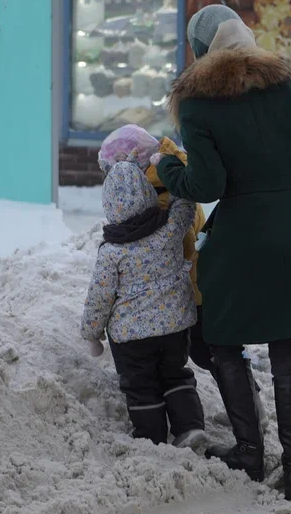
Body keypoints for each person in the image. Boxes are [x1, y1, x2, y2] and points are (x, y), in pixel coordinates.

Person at [153, 4, 291, 500]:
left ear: (201, 51)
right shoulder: (279, 84)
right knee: (287, 353)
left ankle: (250, 454)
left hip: (238, 238)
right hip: (288, 230)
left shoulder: (196, 103)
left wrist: (169, 168)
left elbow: (206, 184)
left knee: (225, 341)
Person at [97, 125, 269, 433]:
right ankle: (248, 408)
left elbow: (158, 243)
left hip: (189, 289)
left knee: (209, 352)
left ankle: (250, 412)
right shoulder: (175, 173)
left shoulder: (158, 200)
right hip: (200, 280)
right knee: (214, 352)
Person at [81, 161, 207, 449]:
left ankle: (151, 438)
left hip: (132, 339)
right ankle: (189, 428)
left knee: (141, 387)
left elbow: (99, 298)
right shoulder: (170, 230)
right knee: (176, 376)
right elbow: (186, 206)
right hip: (174, 328)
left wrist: (92, 334)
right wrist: (166, 168)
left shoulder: (111, 253)